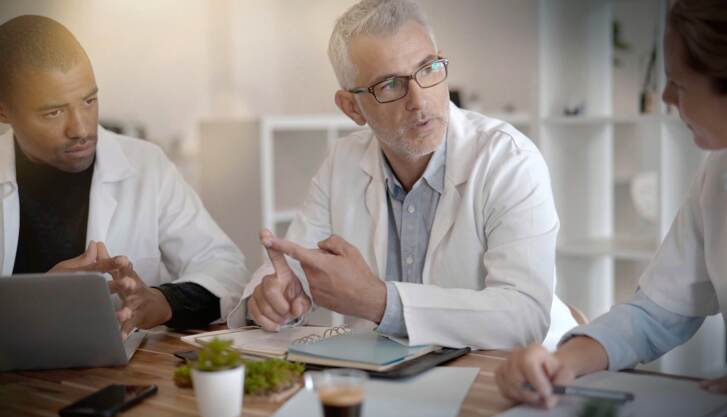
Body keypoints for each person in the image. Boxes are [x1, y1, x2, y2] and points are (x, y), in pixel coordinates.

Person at [228, 0, 577, 350]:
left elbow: (523, 316)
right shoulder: (343, 161)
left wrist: (379, 301)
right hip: (396, 373)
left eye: (427, 69)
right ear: (352, 108)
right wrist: (270, 296)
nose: (420, 100)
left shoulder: (508, 159)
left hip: (524, 375)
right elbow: (297, 266)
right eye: (390, 84)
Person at [495, 0, 727, 406]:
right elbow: (655, 315)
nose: (666, 95)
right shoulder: (719, 175)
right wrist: (563, 361)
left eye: (680, 83)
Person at [0, 15, 250, 337]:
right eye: (54, 112)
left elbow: (227, 269)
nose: (81, 129)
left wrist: (161, 301)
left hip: (122, 377)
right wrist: (36, 299)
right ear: (4, 111)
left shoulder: (147, 165)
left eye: (89, 101)